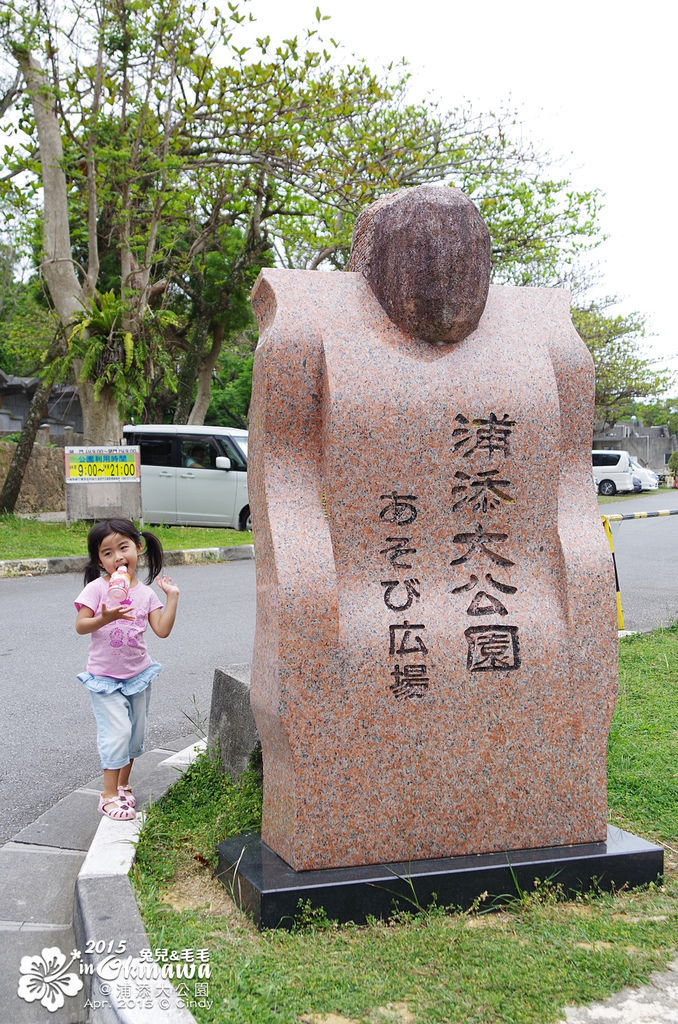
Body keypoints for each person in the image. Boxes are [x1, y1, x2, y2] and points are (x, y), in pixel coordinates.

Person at [75, 517, 180, 821]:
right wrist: (103, 619)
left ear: (137, 547)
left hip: (138, 676)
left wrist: (171, 597)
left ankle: (122, 785)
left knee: (134, 736)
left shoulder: (145, 594)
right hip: (104, 679)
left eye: (123, 548)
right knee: (117, 732)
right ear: (100, 561)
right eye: (108, 553)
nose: (118, 557)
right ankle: (107, 795)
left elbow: (162, 629)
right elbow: (81, 626)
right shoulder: (96, 589)